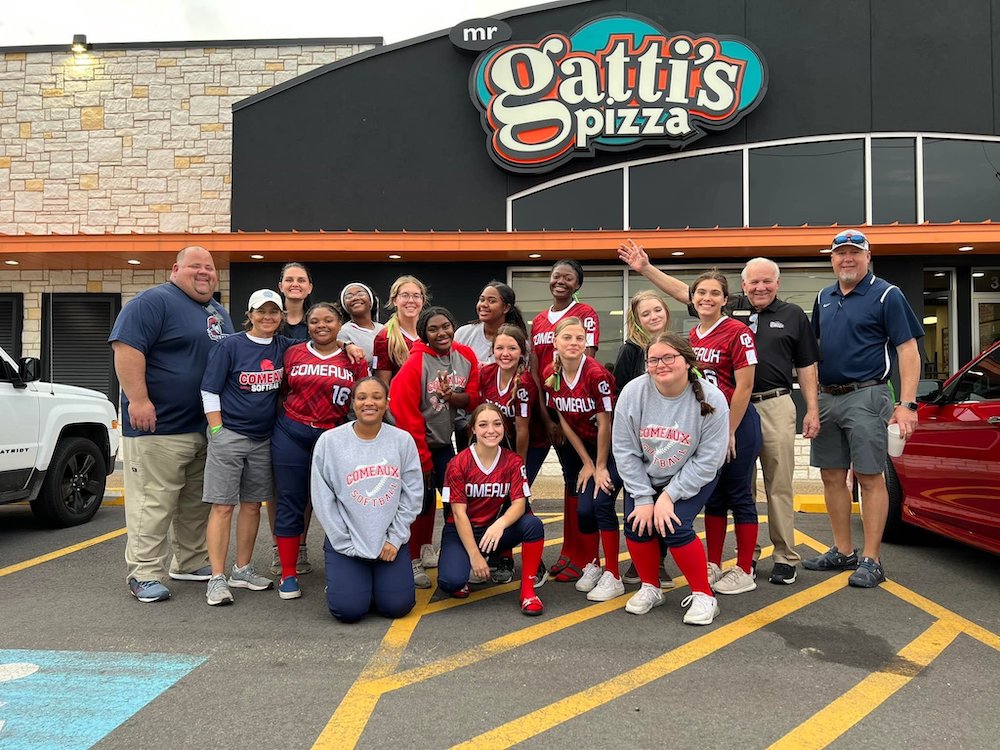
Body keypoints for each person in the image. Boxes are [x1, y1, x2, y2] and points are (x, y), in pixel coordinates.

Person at [618, 241, 761, 595]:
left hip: (734, 422)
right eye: (700, 293)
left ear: (726, 299)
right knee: (711, 496)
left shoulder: (738, 331)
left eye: (715, 293)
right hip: (704, 424)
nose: (706, 298)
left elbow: (743, 388)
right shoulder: (691, 336)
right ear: (692, 299)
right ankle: (713, 563)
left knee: (739, 495)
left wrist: (729, 430)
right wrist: (646, 269)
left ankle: (744, 568)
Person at [109, 245, 235, 603]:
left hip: (203, 427)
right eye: (195, 266)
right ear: (176, 268)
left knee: (195, 502)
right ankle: (144, 572)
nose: (204, 273)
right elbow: (127, 349)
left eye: (209, 268)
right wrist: (139, 400)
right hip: (158, 427)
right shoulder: (152, 303)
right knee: (153, 502)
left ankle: (190, 560)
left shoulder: (217, 311)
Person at [805, 230, 923, 588]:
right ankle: (843, 551)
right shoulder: (824, 297)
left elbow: (908, 350)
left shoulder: (888, 294)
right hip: (828, 397)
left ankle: (872, 559)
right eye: (840, 254)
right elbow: (812, 352)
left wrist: (907, 404)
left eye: (854, 253)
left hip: (867, 395)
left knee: (870, 477)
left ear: (868, 257)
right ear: (832, 259)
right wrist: (811, 403)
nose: (847, 259)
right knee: (831, 476)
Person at [613, 332, 730, 624]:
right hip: (646, 473)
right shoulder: (633, 393)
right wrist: (642, 497)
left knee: (674, 526)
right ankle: (650, 586)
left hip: (690, 474)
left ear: (687, 361)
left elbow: (709, 460)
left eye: (669, 357)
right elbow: (624, 450)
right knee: (637, 525)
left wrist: (668, 496)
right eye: (654, 359)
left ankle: (705, 595)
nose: (660, 364)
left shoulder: (712, 398)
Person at [270, 302, 371, 600]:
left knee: (341, 504)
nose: (321, 325)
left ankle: (341, 569)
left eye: (328, 320)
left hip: (334, 435)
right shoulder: (293, 352)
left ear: (340, 324)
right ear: (307, 325)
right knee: (290, 500)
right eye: (315, 321)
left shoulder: (353, 356)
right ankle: (288, 573)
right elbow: (281, 392)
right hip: (292, 431)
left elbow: (362, 398)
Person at [200, 289, 294, 606]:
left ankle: (242, 569)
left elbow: (315, 348)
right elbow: (209, 389)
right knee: (223, 506)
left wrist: (348, 346)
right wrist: (217, 430)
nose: (268, 317)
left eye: (274, 312)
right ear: (250, 314)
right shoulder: (230, 345)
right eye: (261, 311)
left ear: (281, 317)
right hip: (230, 435)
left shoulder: (284, 346)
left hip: (265, 438)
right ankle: (216, 578)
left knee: (253, 505)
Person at [310, 377, 423, 623]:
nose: (368, 403)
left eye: (376, 397)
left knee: (398, 607)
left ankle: (371, 586)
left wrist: (395, 538)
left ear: (387, 403)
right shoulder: (330, 442)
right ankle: (350, 584)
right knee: (348, 611)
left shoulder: (402, 441)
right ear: (353, 403)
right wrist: (345, 542)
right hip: (347, 544)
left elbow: (412, 494)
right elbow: (323, 499)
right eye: (361, 397)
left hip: (389, 545)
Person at [740, 257, 821, 585]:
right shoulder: (729, 312)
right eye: (753, 282)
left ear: (778, 283)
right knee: (741, 487)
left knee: (779, 485)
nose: (760, 287)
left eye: (766, 281)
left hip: (775, 404)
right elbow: (688, 294)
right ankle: (747, 554)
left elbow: (806, 365)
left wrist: (812, 409)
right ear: (743, 286)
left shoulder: (793, 316)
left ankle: (785, 556)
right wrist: (645, 268)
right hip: (738, 409)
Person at [389, 306, 480, 589]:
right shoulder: (416, 363)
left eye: (446, 327)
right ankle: (413, 558)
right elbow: (404, 412)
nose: (441, 333)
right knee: (420, 501)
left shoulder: (465, 356)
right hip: (414, 442)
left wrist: (453, 397)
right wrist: (422, 458)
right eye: (433, 329)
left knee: (452, 498)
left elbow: (473, 398)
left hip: (444, 442)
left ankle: (431, 548)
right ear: (424, 335)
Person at [436, 403, 546, 615]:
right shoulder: (458, 463)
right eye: (483, 424)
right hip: (463, 530)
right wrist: (474, 554)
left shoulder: (513, 461)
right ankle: (468, 562)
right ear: (473, 429)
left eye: (497, 424)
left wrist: (499, 525)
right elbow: (458, 514)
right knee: (451, 582)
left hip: (494, 531)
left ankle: (528, 592)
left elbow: (519, 504)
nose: (491, 430)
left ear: (504, 427)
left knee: (533, 524)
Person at [529, 259, 601, 579]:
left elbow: (584, 362)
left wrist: (564, 412)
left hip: (577, 412)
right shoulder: (540, 320)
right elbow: (534, 371)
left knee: (581, 481)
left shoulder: (585, 314)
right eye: (556, 276)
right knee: (570, 479)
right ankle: (570, 552)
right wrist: (548, 419)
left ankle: (588, 558)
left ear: (577, 284)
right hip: (551, 413)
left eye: (568, 278)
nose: (560, 281)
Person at [543, 317, 623, 601]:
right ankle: (594, 564)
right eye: (567, 338)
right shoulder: (551, 375)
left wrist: (600, 466)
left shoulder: (596, 374)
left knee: (601, 503)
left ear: (587, 342)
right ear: (555, 342)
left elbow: (606, 423)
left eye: (579, 338)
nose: (574, 343)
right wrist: (586, 463)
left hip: (614, 448)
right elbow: (564, 418)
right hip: (587, 451)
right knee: (584, 511)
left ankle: (613, 574)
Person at [612, 288, 676, 589]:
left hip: (671, 438)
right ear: (636, 320)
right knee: (637, 498)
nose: (653, 316)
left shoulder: (677, 347)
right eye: (645, 313)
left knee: (664, 498)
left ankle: (659, 561)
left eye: (657, 310)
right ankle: (640, 561)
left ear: (666, 311)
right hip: (640, 439)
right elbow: (621, 398)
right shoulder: (630, 351)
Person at [478, 324, 549, 585]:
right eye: (500, 348)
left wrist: (517, 467)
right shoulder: (486, 373)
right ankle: (503, 557)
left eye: (512, 348)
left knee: (517, 495)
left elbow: (522, 429)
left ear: (522, 352)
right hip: (500, 445)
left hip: (528, 446)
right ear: (492, 349)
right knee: (501, 497)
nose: (505, 353)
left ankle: (536, 563)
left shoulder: (524, 383)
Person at [454, 281, 528, 364]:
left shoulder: (517, 341)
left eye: (492, 301)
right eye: (482, 300)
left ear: (506, 308)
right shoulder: (463, 334)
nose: (484, 304)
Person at [372, 275, 427, 384]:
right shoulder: (384, 338)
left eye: (416, 296)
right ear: (394, 300)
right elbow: (383, 385)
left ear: (422, 301)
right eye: (405, 295)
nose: (411, 300)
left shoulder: (430, 333)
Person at [338, 281, 384, 366]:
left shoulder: (384, 329)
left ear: (371, 301)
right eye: (349, 296)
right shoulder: (342, 332)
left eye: (360, 294)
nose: (355, 298)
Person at [277, 262, 314, 340]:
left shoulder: (317, 321)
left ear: (310, 288)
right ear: (281, 287)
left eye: (301, 280)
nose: (295, 284)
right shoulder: (271, 320)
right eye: (289, 280)